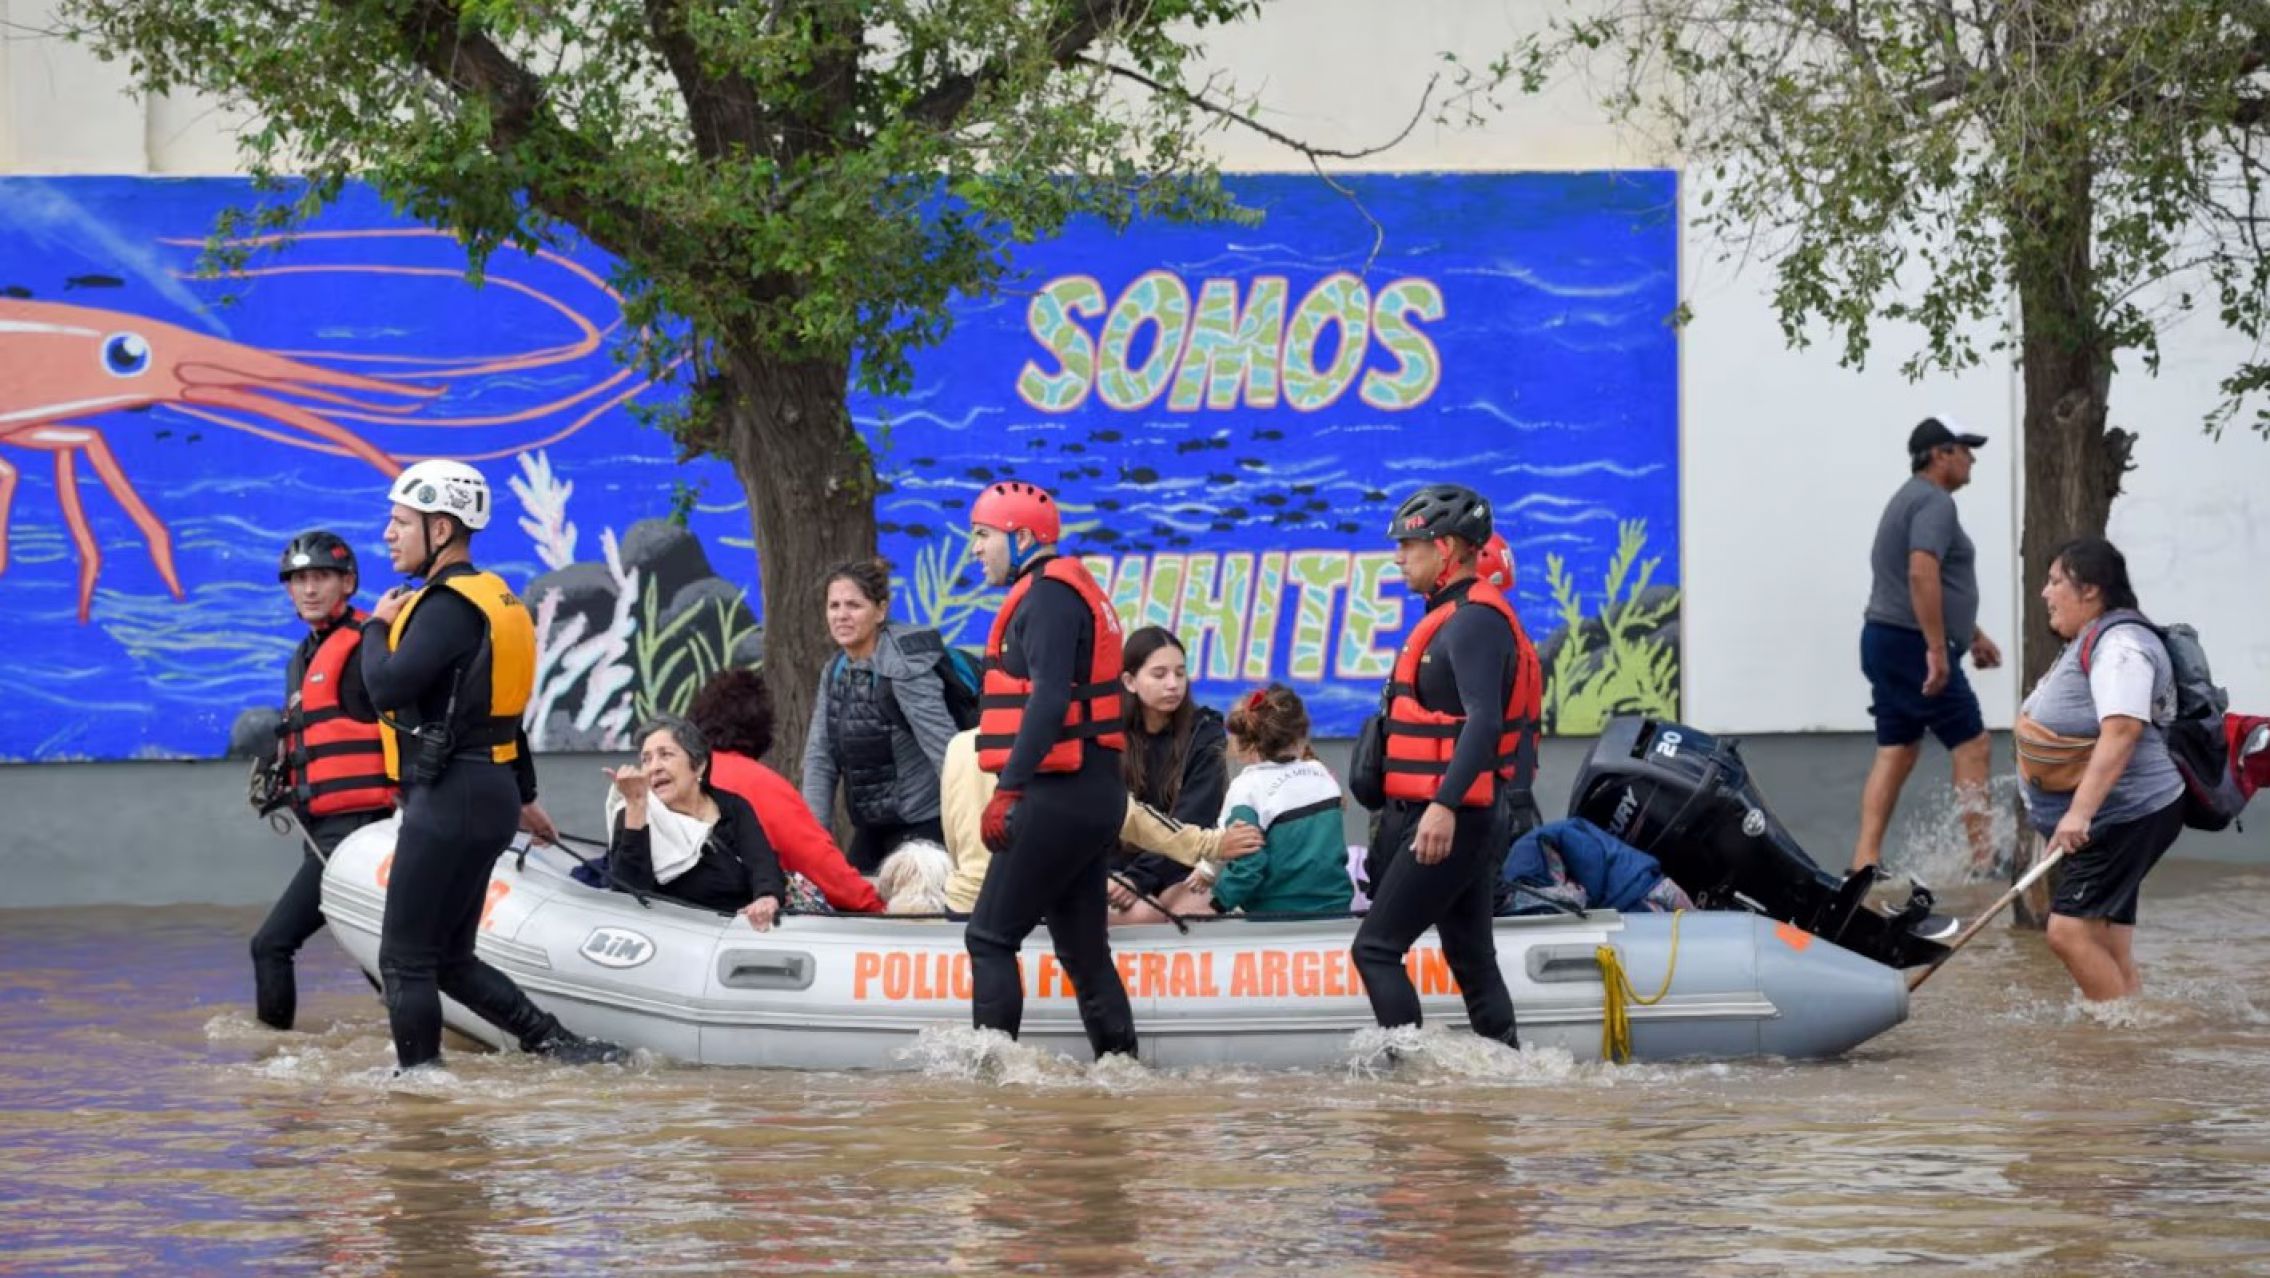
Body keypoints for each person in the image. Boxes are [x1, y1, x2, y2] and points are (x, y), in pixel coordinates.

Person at [361, 459, 623, 1069]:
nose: (388, 534)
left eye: (401, 522)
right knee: (450, 958)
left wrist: (376, 626)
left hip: (450, 797)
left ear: (443, 529)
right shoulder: (496, 597)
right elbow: (504, 715)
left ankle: (421, 1093)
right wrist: (525, 796)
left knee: (404, 960)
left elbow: (388, 687)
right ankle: (563, 1048)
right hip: (492, 791)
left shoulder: (445, 606)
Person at [1351, 483, 1543, 1050]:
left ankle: (1411, 1086)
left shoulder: (1475, 621)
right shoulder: (1449, 616)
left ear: (1450, 547)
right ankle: (1504, 1080)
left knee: (1375, 949)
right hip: (1452, 815)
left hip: (1455, 818)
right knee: (1470, 956)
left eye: (1411, 544)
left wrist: (1444, 806)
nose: (1399, 556)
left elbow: (1484, 722)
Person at [962, 480, 1136, 1058]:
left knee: (988, 937)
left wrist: (1007, 789)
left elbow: (1049, 700)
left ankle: (991, 1086)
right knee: (1084, 956)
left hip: (1060, 796)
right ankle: (1121, 1083)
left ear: (1021, 537)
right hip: (1092, 794)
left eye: (983, 535)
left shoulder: (1045, 598)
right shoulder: (1060, 592)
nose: (975, 550)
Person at [2016, 537, 2185, 1002]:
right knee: (2108, 941)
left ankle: (2121, 1039)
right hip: (2117, 814)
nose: (2045, 593)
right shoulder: (2093, 638)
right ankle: (2133, 1035)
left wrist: (2078, 815)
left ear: (2090, 590)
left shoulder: (2122, 645)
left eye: (2054, 582)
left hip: (2122, 814)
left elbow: (2123, 730)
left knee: (2067, 932)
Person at [250, 530, 397, 1031]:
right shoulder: (304, 656)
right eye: (298, 580)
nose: (309, 589)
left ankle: (273, 1059)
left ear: (348, 582)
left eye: (320, 577)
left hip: (361, 830)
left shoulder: (366, 646)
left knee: (271, 945)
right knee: (376, 954)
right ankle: (433, 1048)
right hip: (320, 828)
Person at [1854, 417, 2004, 872]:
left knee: (1897, 748)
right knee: (1973, 743)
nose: (1972, 458)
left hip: (1888, 639)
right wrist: (1938, 651)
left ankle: (1864, 863)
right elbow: (1922, 573)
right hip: (1911, 644)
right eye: (1965, 449)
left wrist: (1971, 635)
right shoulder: (1935, 503)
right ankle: (1984, 861)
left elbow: (1918, 581)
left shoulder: (1908, 499)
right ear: (1940, 454)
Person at [937, 725, 1263, 917]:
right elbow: (1129, 816)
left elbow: (954, 833)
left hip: (965, 905)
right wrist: (1213, 844)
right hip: (1038, 912)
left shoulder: (959, 745)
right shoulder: (1065, 745)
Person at [800, 558, 960, 872]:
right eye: (834, 606)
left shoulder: (904, 668)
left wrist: (971, 833)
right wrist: (814, 844)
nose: (841, 615)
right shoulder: (835, 669)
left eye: (854, 605)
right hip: (874, 824)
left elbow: (946, 751)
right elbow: (820, 759)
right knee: (848, 906)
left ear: (880, 611)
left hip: (924, 823)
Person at [688, 668, 884, 913]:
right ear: (760, 725)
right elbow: (816, 861)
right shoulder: (759, 784)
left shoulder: (681, 778)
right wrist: (876, 906)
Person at [604, 715, 786, 925]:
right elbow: (625, 900)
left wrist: (767, 898)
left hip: (745, 929)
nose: (654, 767)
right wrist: (636, 806)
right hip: (683, 937)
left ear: (698, 766)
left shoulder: (732, 806)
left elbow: (762, 862)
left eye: (665, 755)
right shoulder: (632, 813)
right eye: (646, 759)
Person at [1192, 685, 1352, 917]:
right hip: (1336, 910)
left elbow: (1248, 867)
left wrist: (1217, 904)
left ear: (1243, 742)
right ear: (1302, 735)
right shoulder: (1322, 774)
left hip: (1274, 918)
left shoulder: (1247, 788)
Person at [1108, 626, 1231, 920]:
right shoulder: (1106, 735)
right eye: (1159, 674)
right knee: (1138, 915)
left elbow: (1195, 816)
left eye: (1180, 673)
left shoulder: (1205, 733)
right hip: (1113, 865)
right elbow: (1100, 816)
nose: (1173, 684)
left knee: (1193, 911)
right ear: (1130, 681)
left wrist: (1140, 877)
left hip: (1179, 863)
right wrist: (1119, 877)